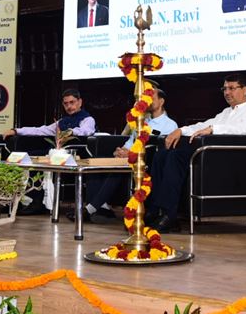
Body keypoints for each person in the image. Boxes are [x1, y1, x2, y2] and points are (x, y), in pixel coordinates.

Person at [146, 74, 246, 232]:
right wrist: (180, 130)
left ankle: (169, 214)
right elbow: (204, 124)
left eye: (231, 88)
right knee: (163, 154)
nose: (227, 92)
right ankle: (156, 210)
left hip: (230, 160)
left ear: (245, 90)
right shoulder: (225, 113)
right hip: (212, 157)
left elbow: (244, 129)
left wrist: (214, 129)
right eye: (225, 89)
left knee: (175, 157)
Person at [68, 88, 178, 223]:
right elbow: (130, 141)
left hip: (146, 161)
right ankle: (100, 208)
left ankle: (89, 209)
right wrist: (121, 150)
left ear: (161, 101)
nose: (147, 102)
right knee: (96, 163)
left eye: (151, 99)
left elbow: (158, 147)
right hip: (127, 157)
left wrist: (131, 153)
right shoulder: (141, 121)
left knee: (120, 168)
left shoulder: (169, 125)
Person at [2, 88, 96, 141]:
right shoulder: (61, 122)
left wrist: (70, 132)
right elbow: (40, 130)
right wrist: (16, 131)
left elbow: (85, 131)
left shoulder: (88, 119)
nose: (69, 106)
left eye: (72, 102)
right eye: (66, 103)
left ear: (80, 102)